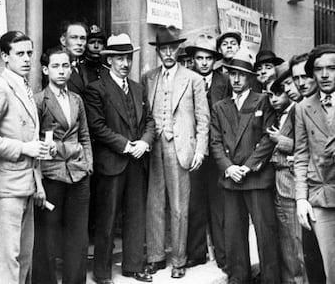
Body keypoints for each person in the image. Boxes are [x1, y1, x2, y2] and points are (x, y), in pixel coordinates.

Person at [0, 31, 49, 284]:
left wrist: (38, 185)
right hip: (5, 189)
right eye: (20, 54)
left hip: (25, 186)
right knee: (4, 263)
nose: (27, 59)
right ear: (5, 57)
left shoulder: (25, 88)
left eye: (30, 53)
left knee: (23, 260)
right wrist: (22, 148)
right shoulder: (0, 90)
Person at [85, 33, 155, 284]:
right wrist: (126, 145)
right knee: (107, 218)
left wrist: (145, 142)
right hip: (112, 162)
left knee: (136, 215)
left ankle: (133, 266)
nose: (125, 63)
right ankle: (102, 273)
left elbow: (149, 121)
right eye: (120, 58)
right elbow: (97, 127)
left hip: (137, 162)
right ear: (109, 61)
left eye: (128, 58)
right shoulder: (97, 89)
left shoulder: (138, 88)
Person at [143, 26, 210, 279]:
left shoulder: (193, 79)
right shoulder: (149, 77)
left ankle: (179, 260)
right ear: (158, 52)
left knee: (180, 206)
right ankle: (156, 257)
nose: (168, 53)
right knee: (155, 204)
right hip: (155, 147)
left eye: (172, 48)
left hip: (181, 147)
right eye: (164, 49)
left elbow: (204, 120)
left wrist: (200, 151)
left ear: (179, 50)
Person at [210, 48, 280, 283]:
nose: (237, 79)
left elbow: (268, 138)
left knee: (265, 233)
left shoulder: (263, 100)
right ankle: (238, 278)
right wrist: (229, 167)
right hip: (231, 178)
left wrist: (248, 167)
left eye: (241, 74)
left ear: (250, 76)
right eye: (232, 74)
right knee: (234, 234)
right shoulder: (220, 106)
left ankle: (271, 279)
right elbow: (215, 141)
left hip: (256, 178)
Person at [32, 47, 93, 284]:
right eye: (56, 66)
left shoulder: (77, 100)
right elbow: (34, 141)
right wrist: (66, 149)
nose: (61, 71)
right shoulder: (39, 101)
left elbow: (85, 136)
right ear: (46, 70)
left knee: (78, 236)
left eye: (66, 66)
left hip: (78, 174)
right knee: (48, 235)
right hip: (52, 174)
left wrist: (87, 164)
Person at [184, 33, 230, 270]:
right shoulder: (186, 80)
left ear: (215, 60)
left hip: (220, 151)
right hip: (195, 151)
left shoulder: (225, 81)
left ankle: (223, 255)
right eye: (199, 58)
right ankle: (196, 252)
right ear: (192, 59)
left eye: (208, 58)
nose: (203, 62)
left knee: (219, 203)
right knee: (195, 202)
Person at [295, 44, 335, 284]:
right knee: (329, 269)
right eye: (319, 69)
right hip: (321, 195)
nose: (325, 75)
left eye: (332, 68)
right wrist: (301, 198)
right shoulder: (303, 107)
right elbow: (300, 154)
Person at [265, 68, 309, 284]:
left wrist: (278, 140)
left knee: (294, 244)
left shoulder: (298, 110)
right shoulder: (285, 112)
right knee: (287, 242)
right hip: (280, 182)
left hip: (291, 184)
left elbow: (301, 147)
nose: (292, 88)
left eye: (290, 85)